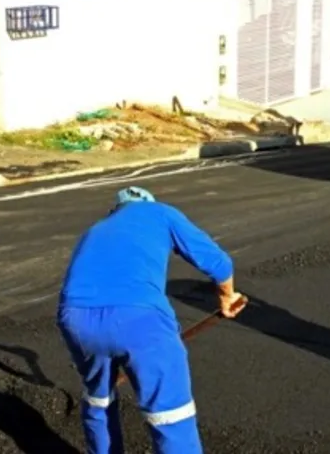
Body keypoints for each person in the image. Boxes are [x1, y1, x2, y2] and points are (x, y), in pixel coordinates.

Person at [58, 186, 245, 454]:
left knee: (98, 399)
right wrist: (227, 296)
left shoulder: (96, 229)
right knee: (171, 415)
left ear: (117, 209)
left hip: (76, 319)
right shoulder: (161, 213)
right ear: (149, 203)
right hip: (140, 319)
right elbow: (218, 262)